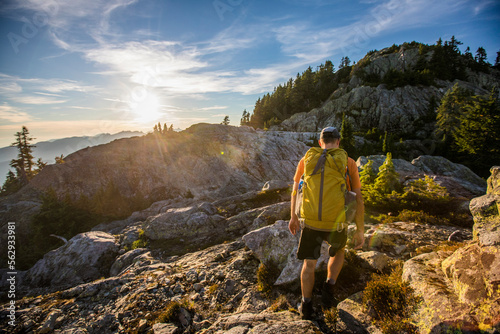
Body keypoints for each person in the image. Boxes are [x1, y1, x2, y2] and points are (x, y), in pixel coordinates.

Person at [289, 126, 365, 320]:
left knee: (309, 263)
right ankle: (329, 288)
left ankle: (306, 305)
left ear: (320, 142)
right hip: (336, 222)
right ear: (338, 142)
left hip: (311, 222)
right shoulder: (348, 163)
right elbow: (358, 198)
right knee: (339, 252)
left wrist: (294, 217)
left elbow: (296, 190)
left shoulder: (306, 161)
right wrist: (360, 229)